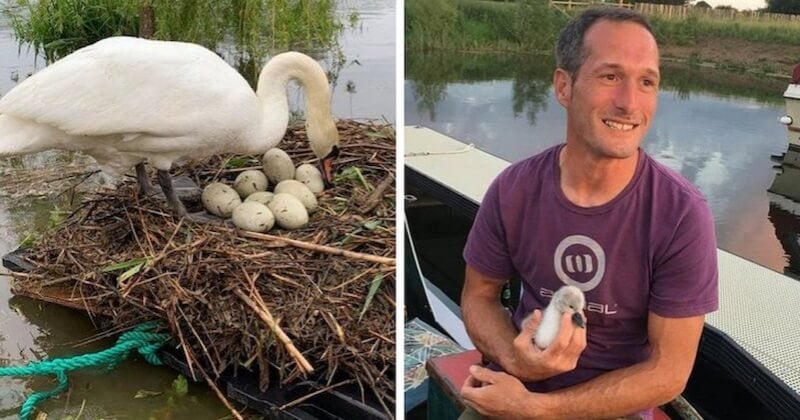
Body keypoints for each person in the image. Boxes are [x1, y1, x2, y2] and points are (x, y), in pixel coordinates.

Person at [459, 7, 719, 419]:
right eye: (610, 76)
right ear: (564, 87)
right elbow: (478, 297)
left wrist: (537, 409)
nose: (629, 103)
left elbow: (669, 372)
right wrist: (514, 359)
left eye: (646, 82)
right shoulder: (513, 189)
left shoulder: (681, 214)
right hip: (513, 387)